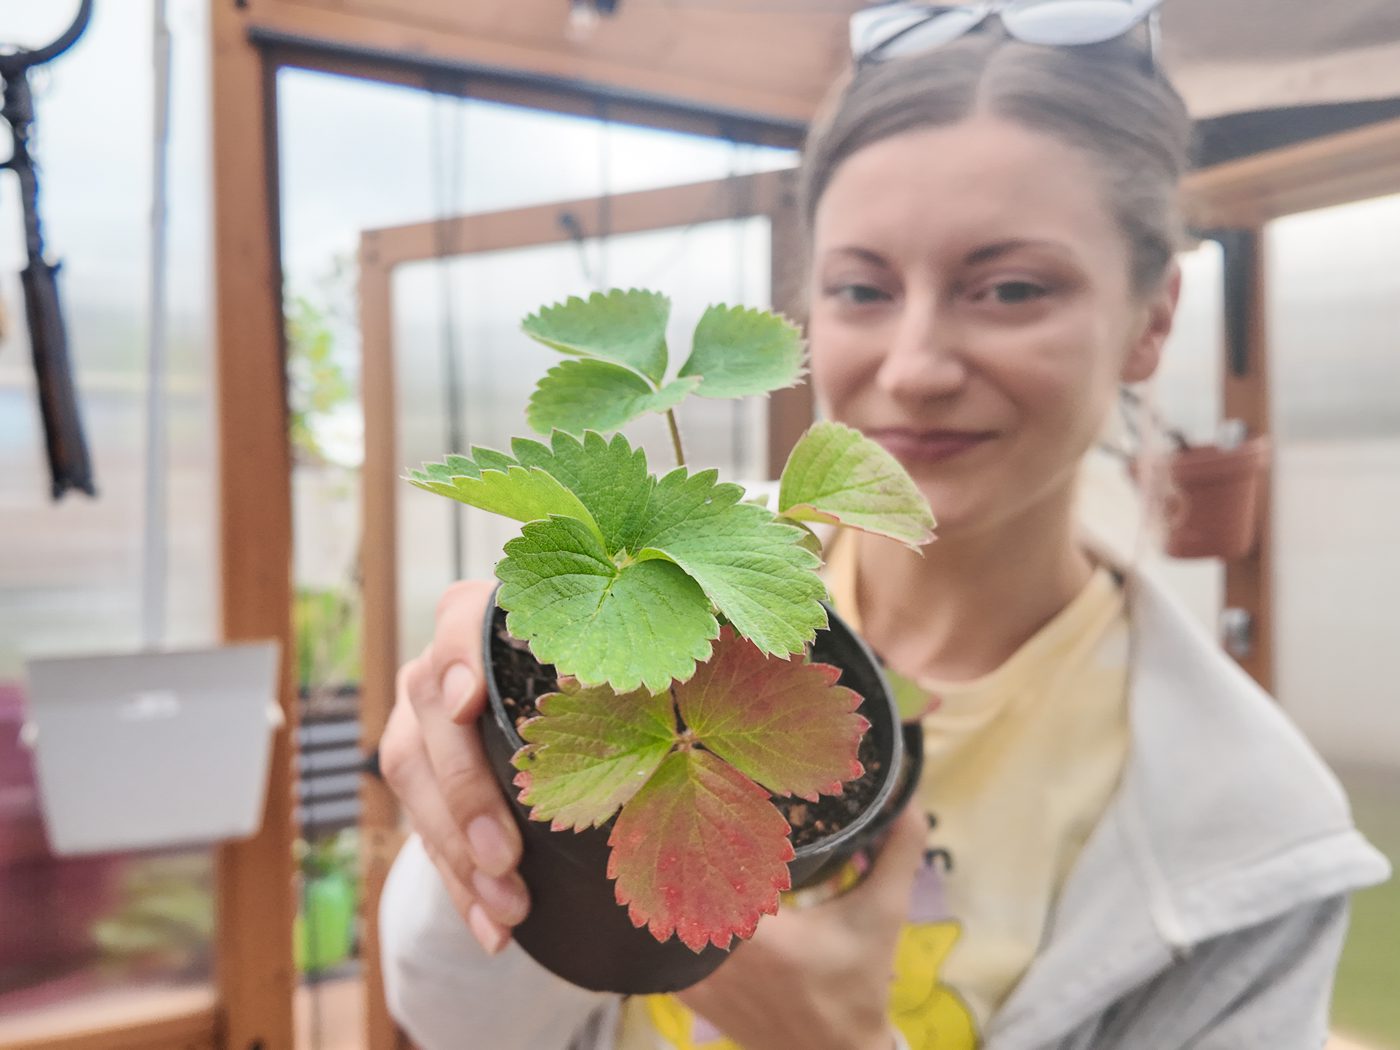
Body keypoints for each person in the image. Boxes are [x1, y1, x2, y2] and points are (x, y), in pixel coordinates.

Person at [375, 11, 1390, 1050]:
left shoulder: (1256, 836)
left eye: (1007, 289)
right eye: (861, 289)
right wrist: (478, 802)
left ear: (1151, 319)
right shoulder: (666, 584)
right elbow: (458, 1017)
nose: (912, 365)